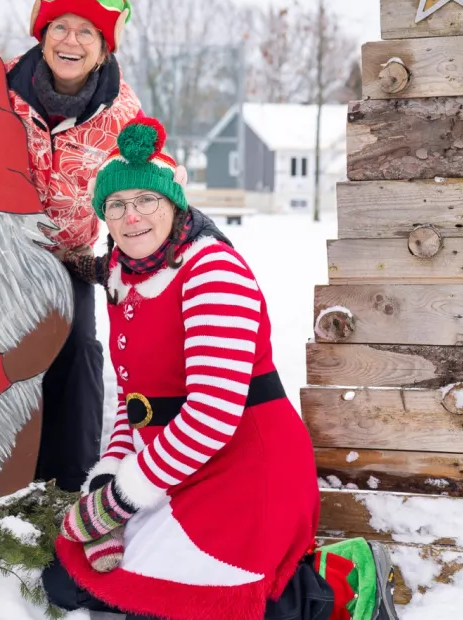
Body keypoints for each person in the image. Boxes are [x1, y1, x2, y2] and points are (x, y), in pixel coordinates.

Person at [46, 118, 400, 620]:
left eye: (147, 200)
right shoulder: (124, 275)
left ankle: (339, 583)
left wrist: (122, 499)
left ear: (175, 205)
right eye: (117, 205)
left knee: (184, 606)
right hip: (170, 466)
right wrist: (109, 476)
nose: (132, 216)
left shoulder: (212, 271)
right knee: (69, 583)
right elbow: (134, 404)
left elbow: (212, 416)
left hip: (245, 463)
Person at [3, 0, 149, 493]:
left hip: (67, 258)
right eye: (61, 26)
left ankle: (71, 482)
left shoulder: (122, 115)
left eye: (87, 31)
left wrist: (120, 259)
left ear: (104, 48)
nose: (72, 40)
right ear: (42, 34)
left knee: (79, 347)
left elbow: (140, 191)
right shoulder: (0, 85)